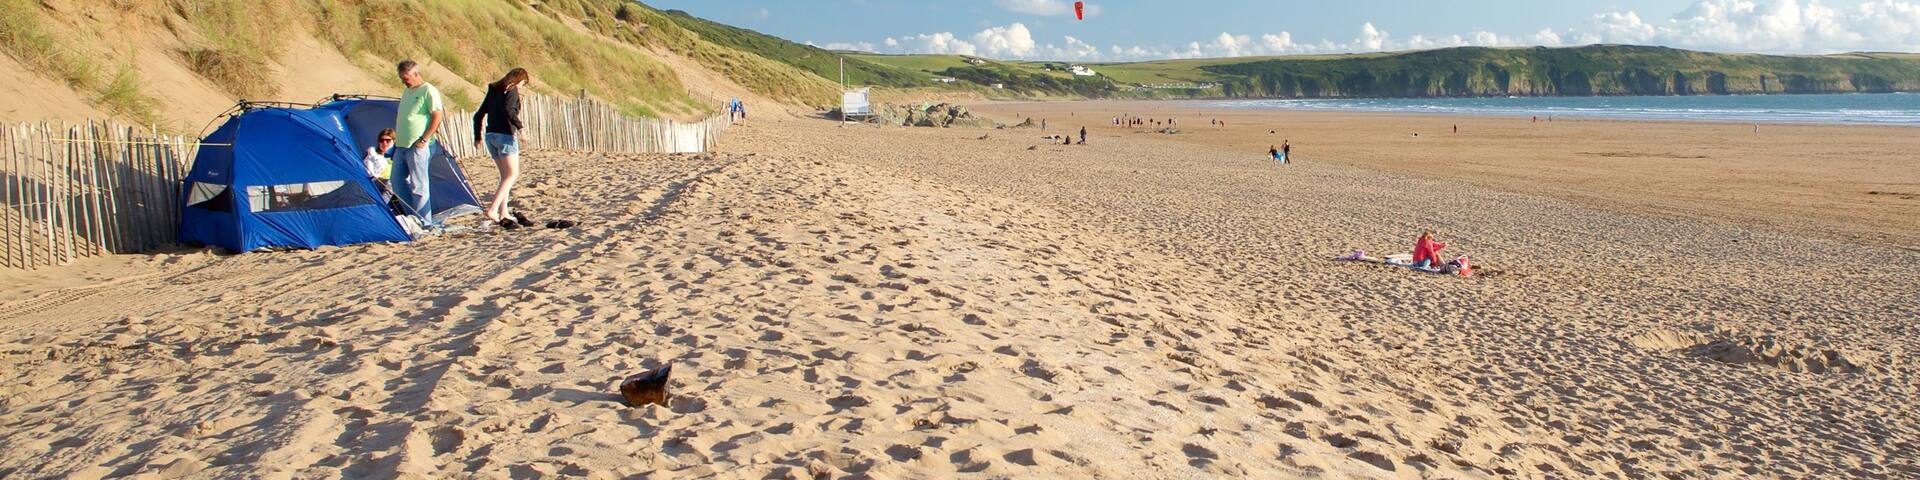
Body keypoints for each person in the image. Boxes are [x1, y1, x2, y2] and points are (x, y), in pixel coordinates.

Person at [474, 67, 530, 229]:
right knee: (512, 174)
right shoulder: (511, 90)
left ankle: (503, 212)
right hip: (505, 136)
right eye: (523, 84)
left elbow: (478, 114)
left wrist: (477, 136)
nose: (521, 87)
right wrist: (521, 129)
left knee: (505, 175)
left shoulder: (494, 90)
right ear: (519, 80)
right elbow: (509, 112)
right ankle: (492, 209)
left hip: (490, 136)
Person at [393, 59, 445, 228]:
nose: (404, 81)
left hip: (418, 146)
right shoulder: (407, 91)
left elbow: (437, 116)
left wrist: (423, 139)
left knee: (419, 185)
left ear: (416, 74)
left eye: (406, 78)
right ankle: (412, 216)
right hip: (401, 145)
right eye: (402, 78)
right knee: (397, 182)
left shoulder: (428, 90)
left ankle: (425, 222)